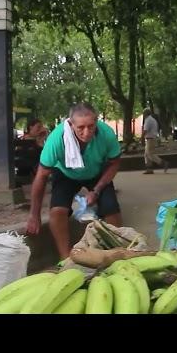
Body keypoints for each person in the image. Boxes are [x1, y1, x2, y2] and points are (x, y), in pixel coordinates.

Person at [25, 102, 124, 260]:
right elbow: (41, 176)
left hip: (96, 171)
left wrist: (96, 190)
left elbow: (114, 163)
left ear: (97, 121)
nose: (87, 132)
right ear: (70, 124)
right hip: (65, 173)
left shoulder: (106, 134)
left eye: (91, 126)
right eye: (81, 128)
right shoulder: (56, 139)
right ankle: (66, 259)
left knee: (111, 208)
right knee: (57, 211)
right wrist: (34, 214)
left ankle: (118, 252)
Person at [141, 108, 169, 174]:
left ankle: (163, 163)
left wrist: (142, 137)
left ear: (145, 113)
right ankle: (149, 169)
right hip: (152, 138)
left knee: (150, 154)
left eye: (143, 113)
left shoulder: (148, 120)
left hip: (150, 138)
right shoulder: (152, 119)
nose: (143, 115)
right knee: (146, 154)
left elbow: (145, 130)